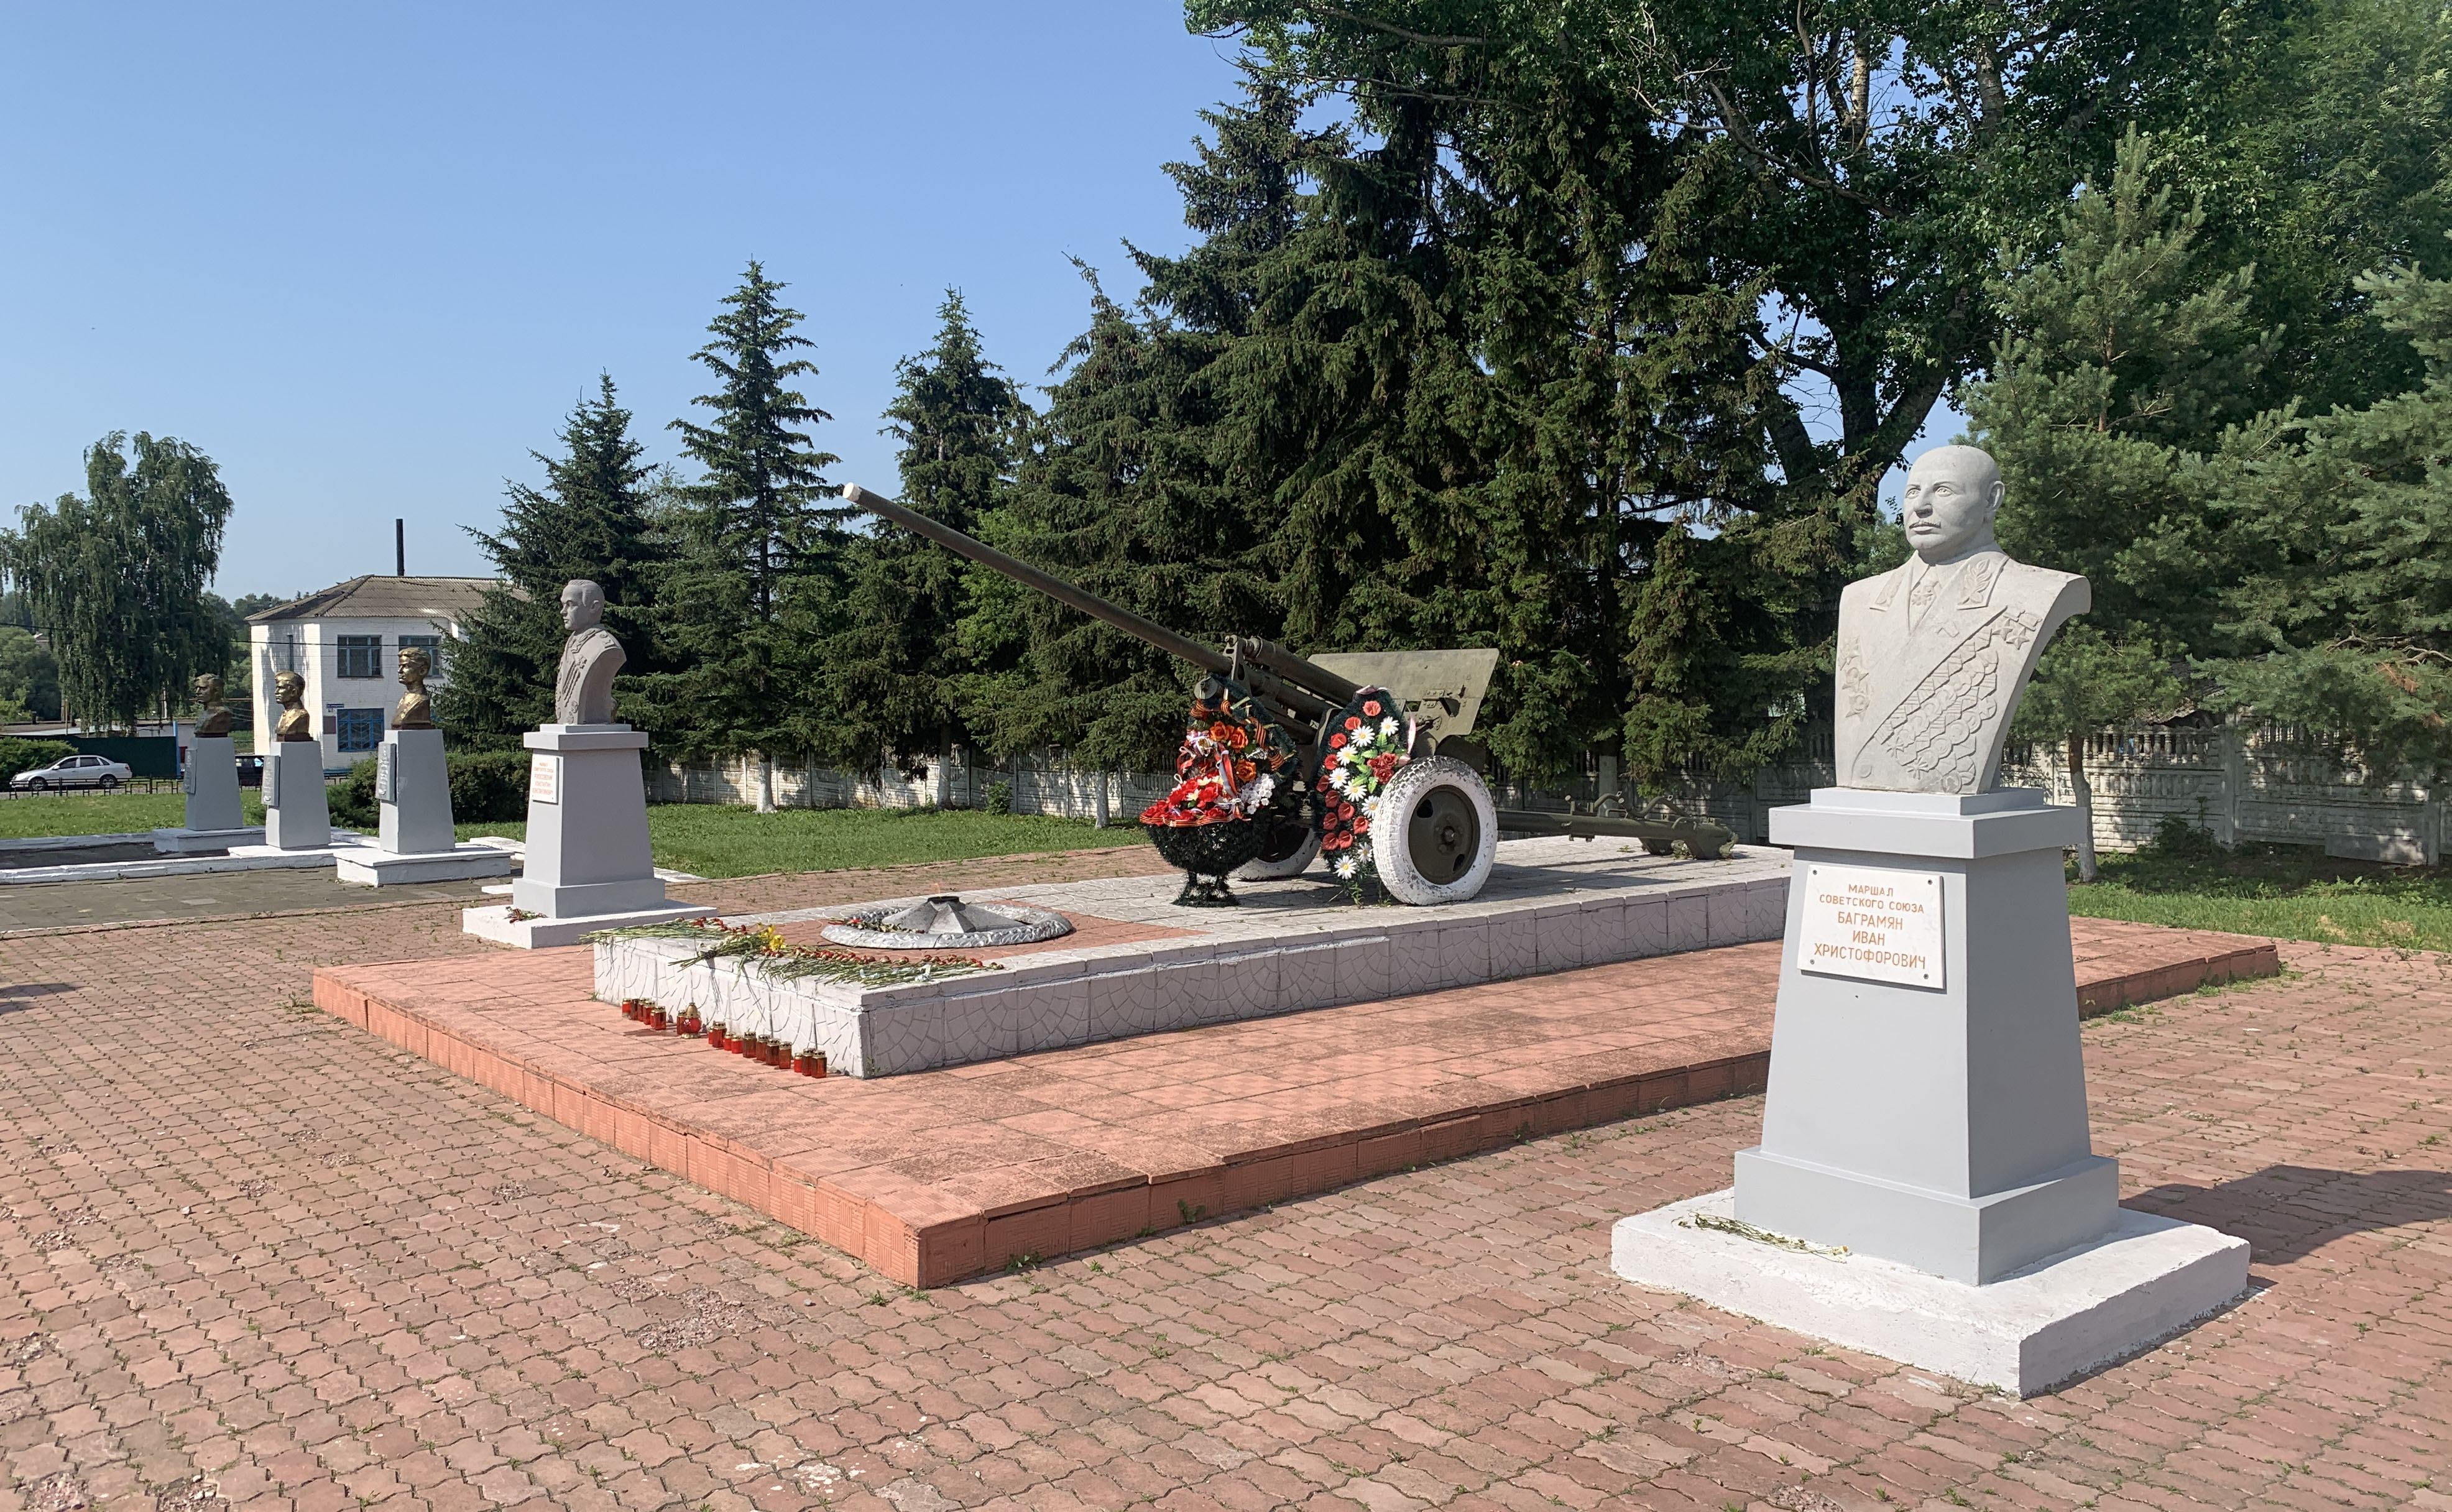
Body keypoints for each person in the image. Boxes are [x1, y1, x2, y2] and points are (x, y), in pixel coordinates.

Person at [1832, 445, 2090, 794]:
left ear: (1991, 500)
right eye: (1912, 492)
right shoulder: (1860, 598)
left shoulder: (2034, 591)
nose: (1920, 506)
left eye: (1943, 490)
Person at [553, 579, 625, 725]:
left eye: (570, 605)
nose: (563, 611)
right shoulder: (573, 642)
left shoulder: (604, 647)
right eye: (563, 605)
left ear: (594, 607)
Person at [393, 647, 436, 729]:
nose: (400, 671)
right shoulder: (405, 698)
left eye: (406, 667)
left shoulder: (421, 701)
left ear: (422, 671)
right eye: (400, 666)